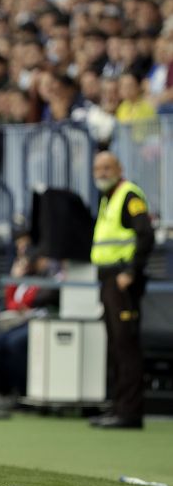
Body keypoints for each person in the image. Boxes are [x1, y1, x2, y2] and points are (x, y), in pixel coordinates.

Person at [89, 151, 154, 429]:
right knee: (115, 345)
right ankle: (117, 407)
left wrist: (130, 271)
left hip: (122, 281)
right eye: (98, 168)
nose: (102, 172)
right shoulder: (108, 197)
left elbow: (146, 234)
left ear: (120, 168)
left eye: (107, 167)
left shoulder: (129, 195)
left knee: (126, 345)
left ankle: (130, 412)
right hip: (109, 281)